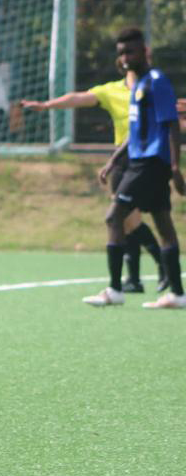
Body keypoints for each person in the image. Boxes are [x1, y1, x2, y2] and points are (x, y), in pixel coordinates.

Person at [22, 63, 166, 293]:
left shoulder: (152, 88)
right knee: (127, 221)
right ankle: (136, 279)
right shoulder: (111, 91)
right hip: (121, 158)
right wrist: (47, 105)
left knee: (126, 217)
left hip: (144, 158)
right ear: (122, 65)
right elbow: (78, 98)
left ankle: (161, 266)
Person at [82, 27, 185, 309]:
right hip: (139, 162)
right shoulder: (138, 86)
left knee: (114, 217)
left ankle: (115, 290)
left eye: (130, 51)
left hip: (150, 163)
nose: (125, 57)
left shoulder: (156, 81)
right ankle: (177, 293)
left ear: (145, 52)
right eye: (121, 53)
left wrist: (176, 167)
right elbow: (135, 130)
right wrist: (114, 160)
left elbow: (172, 123)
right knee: (163, 224)